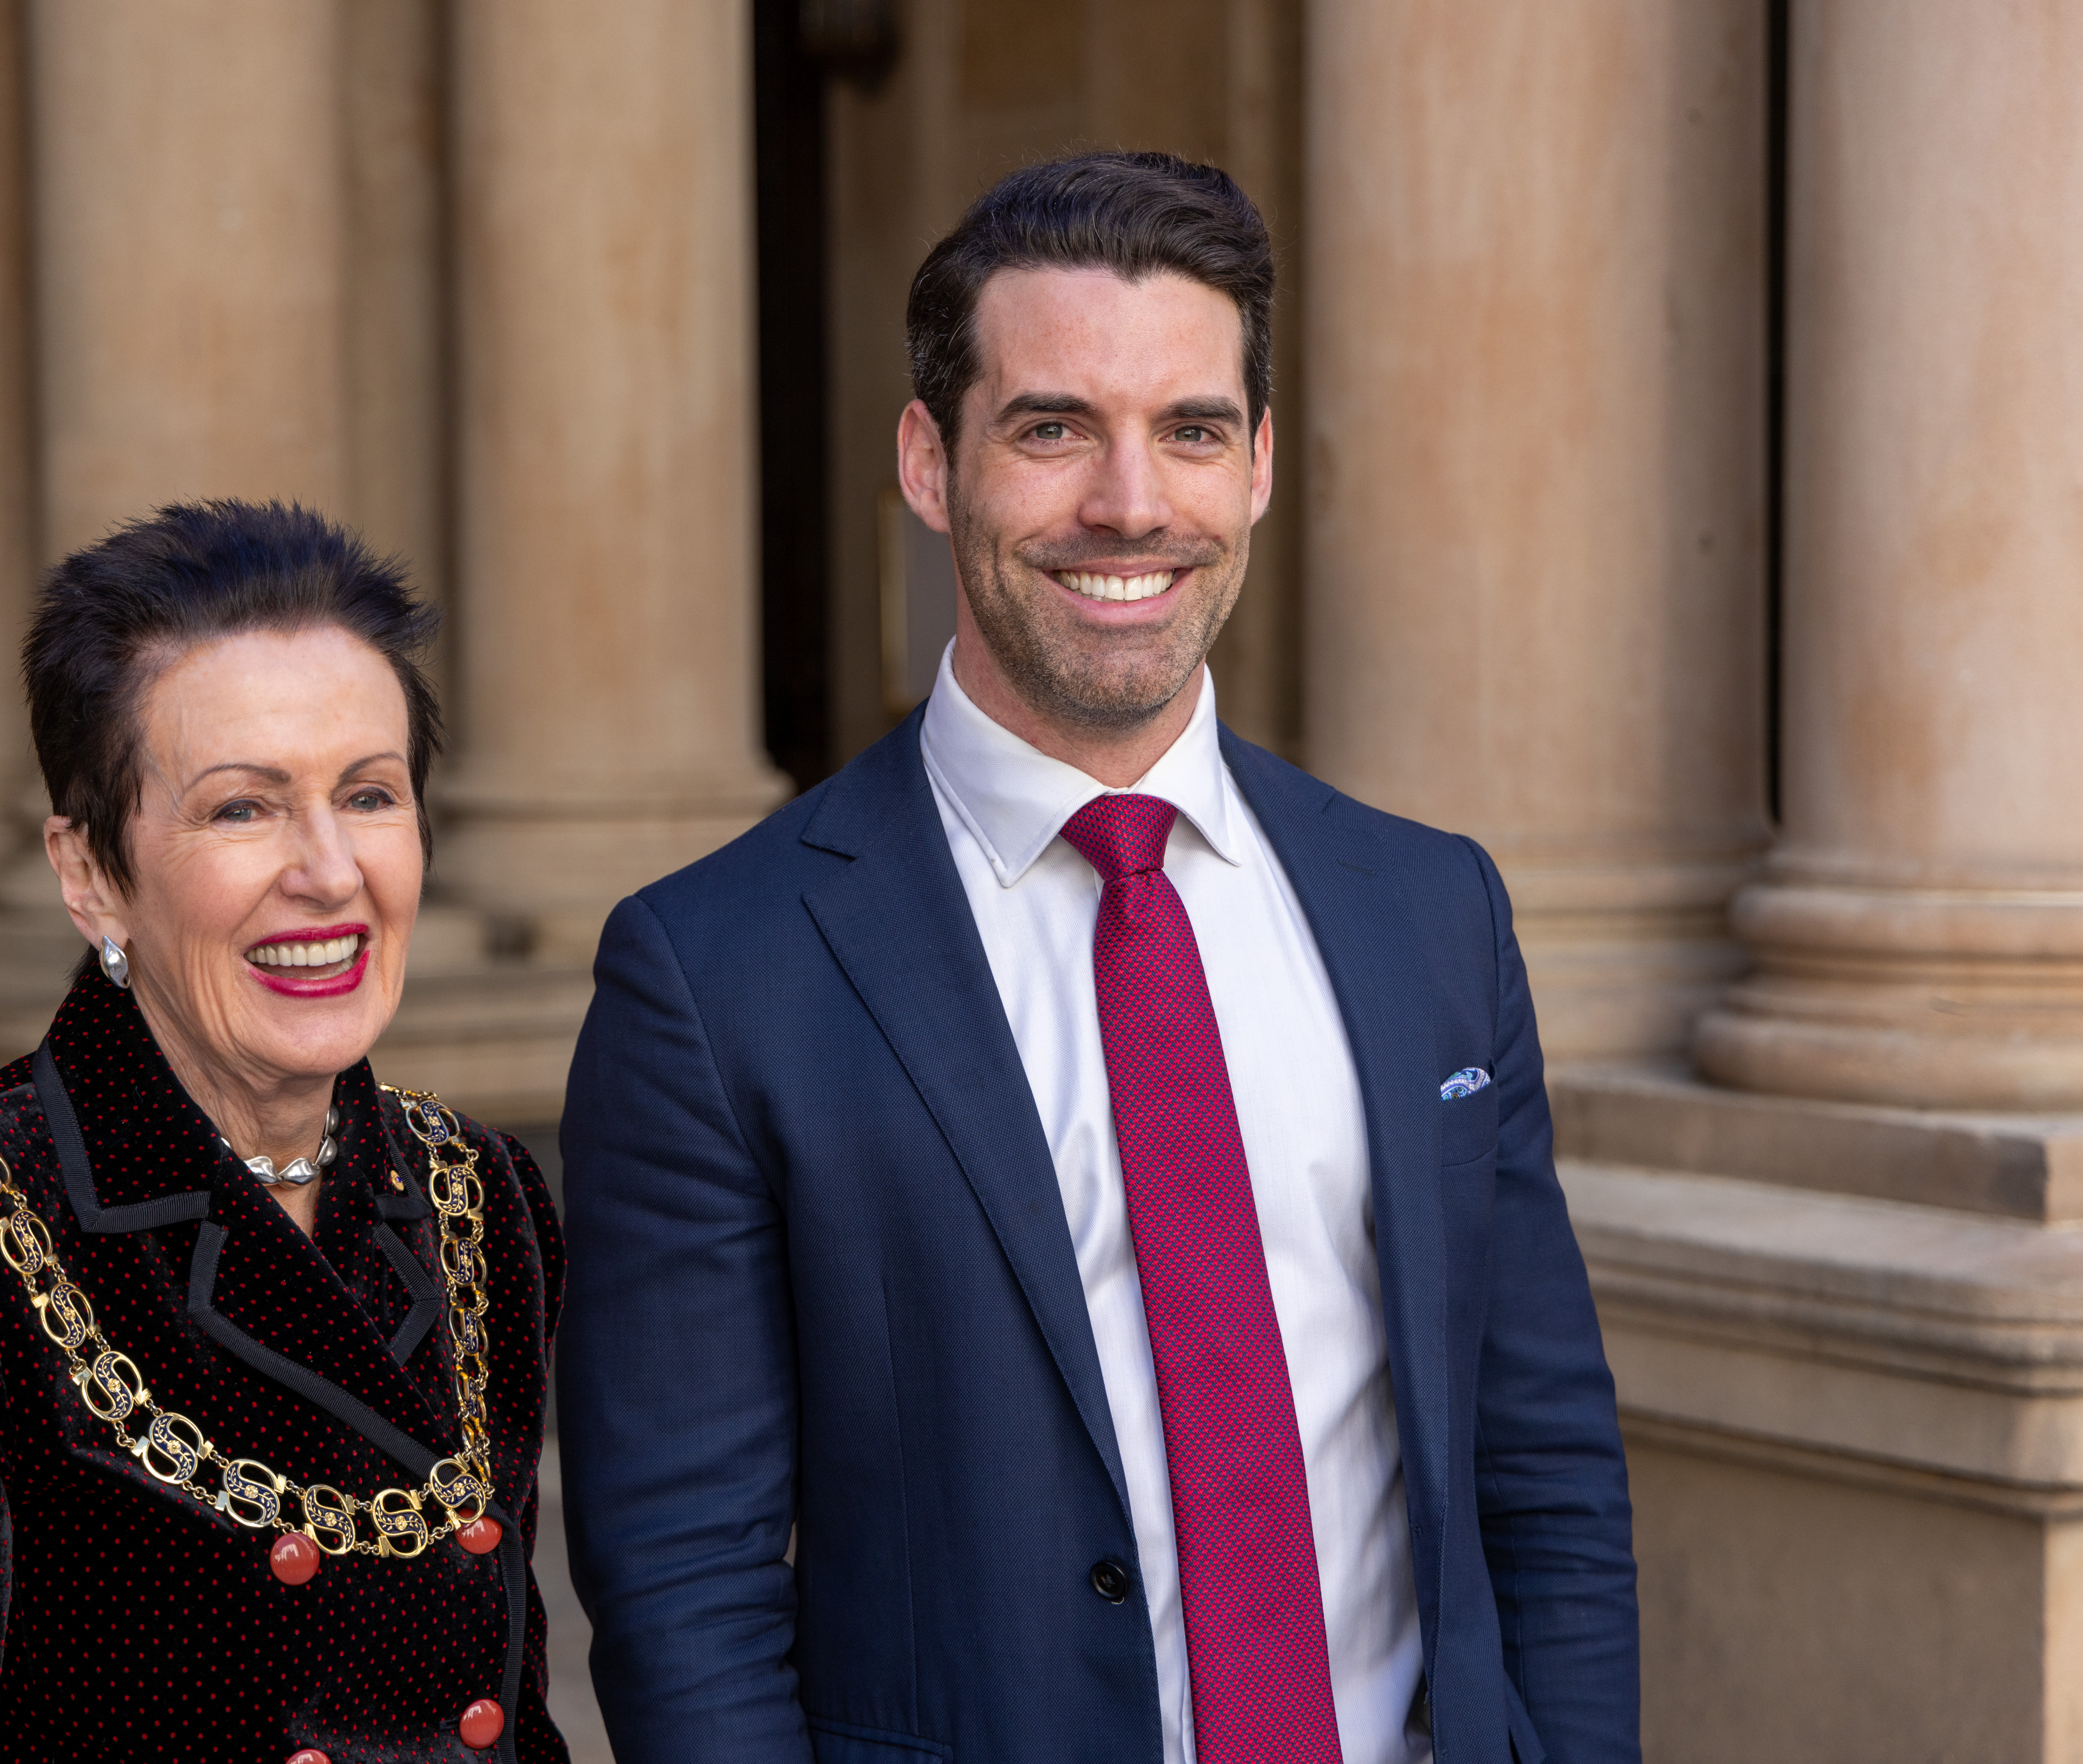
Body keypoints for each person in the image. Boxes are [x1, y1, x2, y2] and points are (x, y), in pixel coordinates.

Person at [558, 153, 1639, 1764]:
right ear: (931, 463)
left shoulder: (1432, 912)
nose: (1131, 503)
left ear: (1260, 465)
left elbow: (1541, 1468)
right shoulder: (714, 976)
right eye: (1053, 427)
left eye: (1192, 430)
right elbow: (683, 1589)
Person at [0, 501, 567, 1763]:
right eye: (244, 809)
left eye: (371, 794)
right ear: (91, 873)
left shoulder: (477, 1192)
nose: (332, 871)